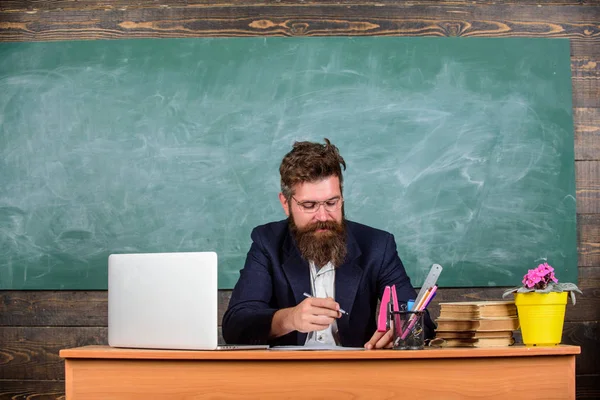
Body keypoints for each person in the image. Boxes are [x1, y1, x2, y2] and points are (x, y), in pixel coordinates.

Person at [222, 138, 435, 349]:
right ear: (285, 203)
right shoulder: (267, 242)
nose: (323, 216)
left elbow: (422, 323)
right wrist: (289, 319)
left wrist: (402, 331)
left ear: (341, 198)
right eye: (309, 205)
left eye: (332, 203)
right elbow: (236, 325)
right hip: (286, 374)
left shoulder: (378, 245)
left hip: (356, 374)